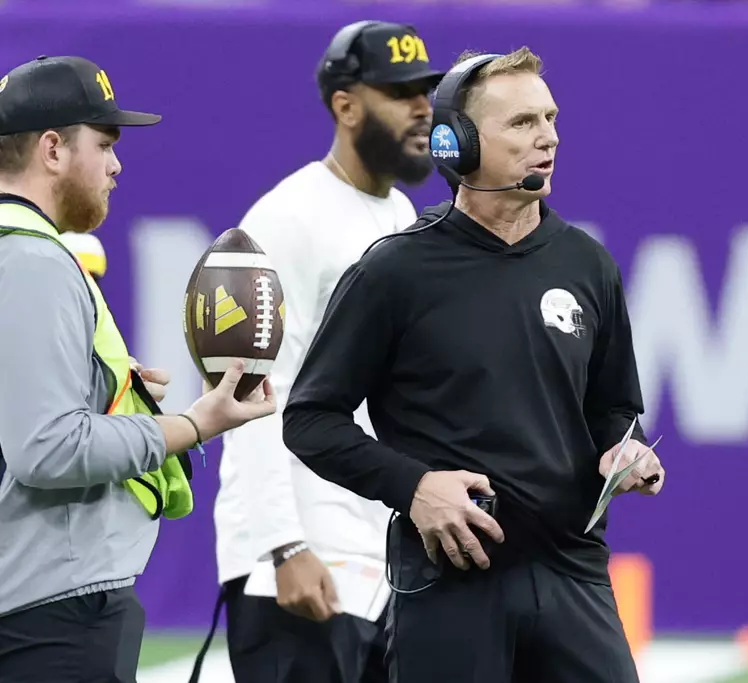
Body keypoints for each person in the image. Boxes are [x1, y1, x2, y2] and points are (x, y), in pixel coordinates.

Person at [281, 46, 666, 683]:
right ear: (455, 142)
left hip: (573, 574)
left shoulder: (587, 265)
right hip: (452, 580)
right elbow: (310, 419)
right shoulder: (395, 271)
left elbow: (613, 407)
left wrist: (624, 451)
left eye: (550, 118)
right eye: (522, 123)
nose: (548, 137)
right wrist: (413, 487)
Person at [0, 55, 276, 683]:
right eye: (104, 144)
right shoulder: (32, 260)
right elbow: (47, 450)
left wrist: (114, 394)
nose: (117, 165)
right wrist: (195, 422)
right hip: (49, 613)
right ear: (51, 149)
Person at [210, 20, 444, 683]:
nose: (423, 108)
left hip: (380, 562)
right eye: (400, 92)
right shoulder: (284, 219)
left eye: (426, 90)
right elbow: (250, 395)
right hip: (303, 563)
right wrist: (285, 546)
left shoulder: (404, 220)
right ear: (346, 105)